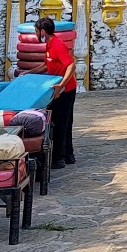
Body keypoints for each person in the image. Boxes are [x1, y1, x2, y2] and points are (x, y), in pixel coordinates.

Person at [38, 17, 78, 169]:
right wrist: (29, 72)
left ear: (43, 31)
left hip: (66, 90)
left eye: (37, 31)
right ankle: (69, 155)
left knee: (61, 123)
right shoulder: (49, 45)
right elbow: (46, 65)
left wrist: (61, 85)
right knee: (64, 122)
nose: (36, 35)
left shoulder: (57, 45)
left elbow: (71, 66)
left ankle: (59, 158)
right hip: (59, 89)